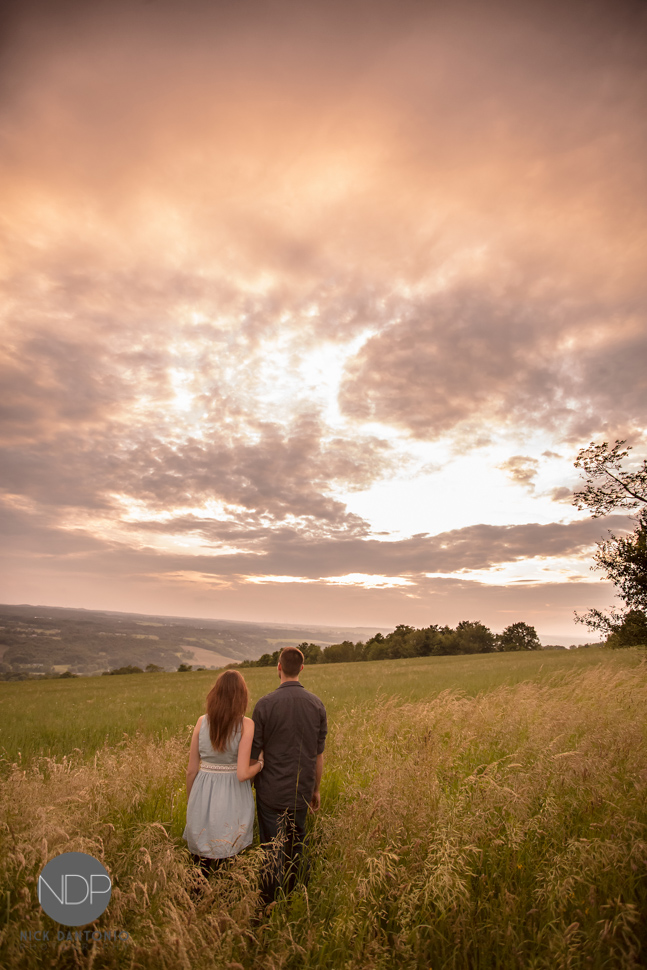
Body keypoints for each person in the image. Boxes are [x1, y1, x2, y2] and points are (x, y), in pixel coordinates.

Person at [251, 646, 327, 905]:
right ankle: (296, 902)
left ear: (279, 667)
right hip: (301, 792)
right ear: (302, 669)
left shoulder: (264, 705)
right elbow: (318, 755)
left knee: (272, 851)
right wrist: (315, 790)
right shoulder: (317, 705)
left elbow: (255, 753)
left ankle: (268, 906)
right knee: (297, 849)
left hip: (270, 793)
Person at [184, 669, 263, 874]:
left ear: (215, 694)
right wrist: (261, 764)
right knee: (230, 850)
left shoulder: (202, 722)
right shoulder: (246, 724)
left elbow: (191, 770)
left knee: (201, 856)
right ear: (242, 696)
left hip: (202, 791)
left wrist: (191, 802)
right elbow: (243, 773)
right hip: (233, 793)